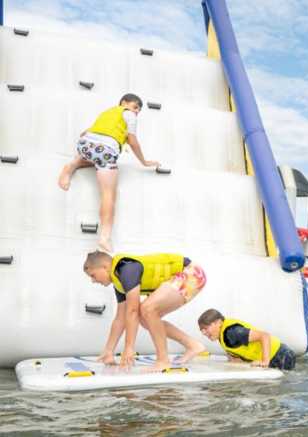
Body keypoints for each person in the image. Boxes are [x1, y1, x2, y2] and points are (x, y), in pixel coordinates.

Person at [58, 94, 160, 252]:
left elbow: (84, 133)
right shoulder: (129, 115)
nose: (136, 111)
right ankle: (104, 238)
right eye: (135, 107)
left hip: (84, 146)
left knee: (96, 157)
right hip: (104, 152)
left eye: (138, 110)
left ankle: (72, 165)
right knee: (109, 195)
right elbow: (133, 141)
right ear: (124, 103)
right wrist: (144, 162)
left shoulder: (107, 113)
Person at [82, 251, 206, 371]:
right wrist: (109, 351)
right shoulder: (118, 282)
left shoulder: (126, 269)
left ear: (104, 267)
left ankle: (163, 360)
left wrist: (129, 348)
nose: (93, 281)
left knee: (147, 309)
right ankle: (193, 345)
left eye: (93, 275)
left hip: (192, 273)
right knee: (144, 317)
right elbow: (120, 318)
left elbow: (132, 311)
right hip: (185, 277)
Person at [197, 309, 296, 370]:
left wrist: (264, 361)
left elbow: (264, 336)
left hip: (281, 355)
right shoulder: (222, 337)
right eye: (202, 330)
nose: (204, 333)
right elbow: (237, 357)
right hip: (274, 357)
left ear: (218, 323)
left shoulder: (232, 332)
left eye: (206, 328)